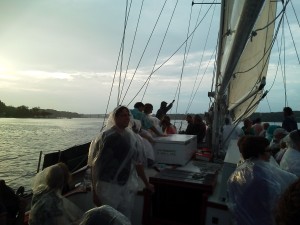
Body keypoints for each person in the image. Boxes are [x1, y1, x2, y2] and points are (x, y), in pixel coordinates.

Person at [90, 106, 154, 220]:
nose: (127, 118)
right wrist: (94, 192)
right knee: (107, 219)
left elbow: (137, 163)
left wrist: (146, 183)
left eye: (128, 115)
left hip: (125, 185)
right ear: (115, 117)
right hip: (106, 185)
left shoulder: (132, 137)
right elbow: (95, 165)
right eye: (123, 115)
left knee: (123, 218)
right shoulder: (105, 136)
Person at [227, 136, 297, 225]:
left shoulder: (237, 173)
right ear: (259, 153)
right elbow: (274, 206)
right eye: (268, 150)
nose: (270, 154)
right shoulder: (264, 177)